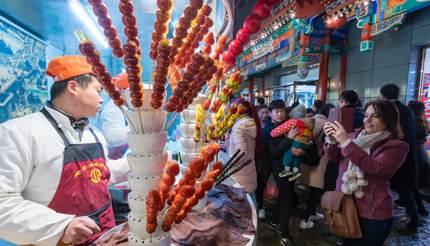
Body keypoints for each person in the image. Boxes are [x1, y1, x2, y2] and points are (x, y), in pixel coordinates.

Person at [0, 55, 129, 245]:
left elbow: (101, 175)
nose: (101, 100)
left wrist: (145, 162)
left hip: (104, 237)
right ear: (74, 87)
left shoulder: (93, 134)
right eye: (97, 91)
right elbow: (3, 202)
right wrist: (61, 227)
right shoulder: (19, 132)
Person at [324, 100, 408, 245]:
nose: (367, 120)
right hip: (345, 204)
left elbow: (375, 168)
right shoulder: (355, 135)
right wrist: (331, 141)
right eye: (366, 115)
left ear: (388, 119)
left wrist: (345, 142)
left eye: (375, 116)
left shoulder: (397, 146)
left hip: (371, 213)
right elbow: (335, 157)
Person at [268, 101, 320, 245]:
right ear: (271, 112)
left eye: (281, 111)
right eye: (276, 111)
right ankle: (284, 233)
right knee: (287, 198)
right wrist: (289, 138)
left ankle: (278, 220)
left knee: (286, 197)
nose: (279, 114)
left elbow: (307, 143)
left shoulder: (293, 123)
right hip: (279, 170)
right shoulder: (270, 129)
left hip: (292, 169)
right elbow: (274, 153)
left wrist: (302, 151)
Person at [379, 83, 423, 233]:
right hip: (409, 155)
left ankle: (414, 221)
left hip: (397, 155)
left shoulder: (390, 110)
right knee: (407, 188)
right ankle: (417, 214)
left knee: (404, 189)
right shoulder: (406, 109)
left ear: (383, 96)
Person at [298, 103, 335, 229]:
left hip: (306, 158)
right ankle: (307, 220)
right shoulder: (327, 125)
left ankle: (312, 213)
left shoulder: (310, 120)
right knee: (314, 191)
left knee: (308, 189)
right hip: (319, 161)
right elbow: (327, 145)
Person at [225, 98, 261, 193]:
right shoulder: (251, 123)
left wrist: (227, 165)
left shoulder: (239, 127)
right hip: (249, 171)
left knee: (242, 204)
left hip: (239, 175)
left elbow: (241, 152)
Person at [255, 100, 282, 220]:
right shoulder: (255, 126)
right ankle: (260, 207)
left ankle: (267, 208)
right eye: (262, 112)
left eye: (266, 112)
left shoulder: (272, 127)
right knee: (260, 185)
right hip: (260, 161)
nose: (264, 115)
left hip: (269, 162)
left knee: (268, 185)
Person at [99, 72, 129, 159]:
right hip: (114, 160)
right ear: (122, 92)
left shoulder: (126, 107)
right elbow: (110, 137)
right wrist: (140, 129)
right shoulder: (112, 108)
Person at [408, 101, 429, 215]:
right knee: (413, 185)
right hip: (421, 155)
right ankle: (420, 210)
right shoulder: (423, 122)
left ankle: (417, 213)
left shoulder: (412, 123)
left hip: (414, 155)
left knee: (410, 185)